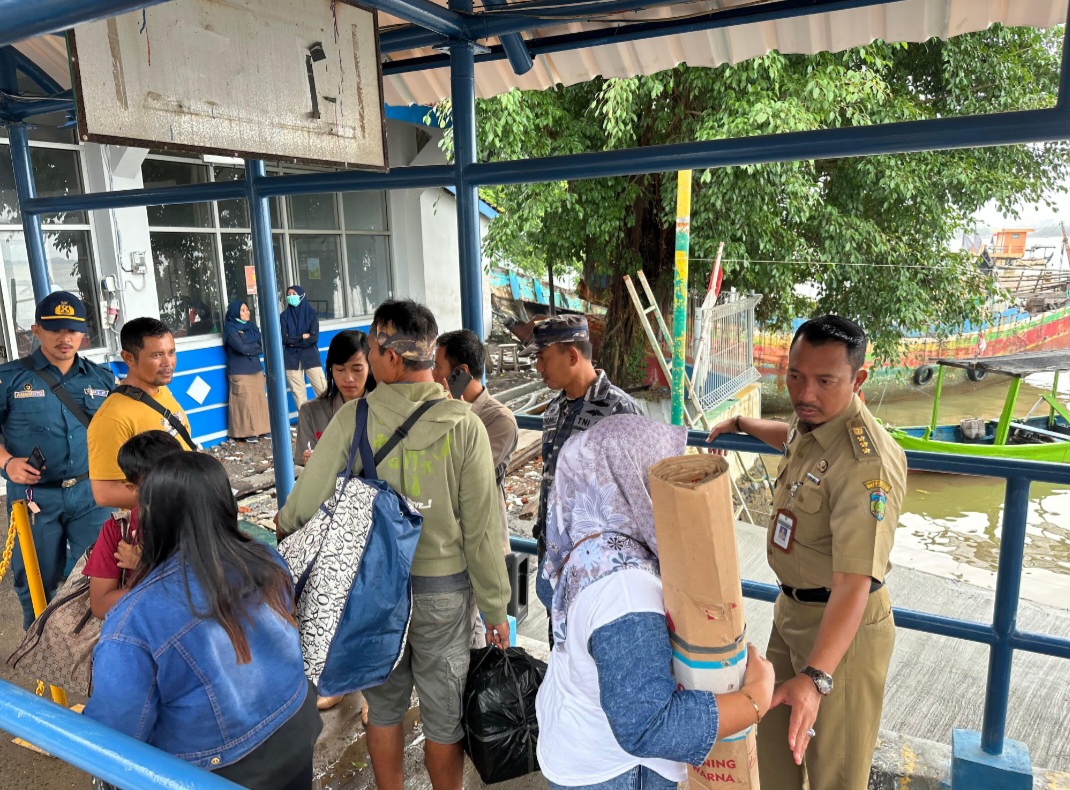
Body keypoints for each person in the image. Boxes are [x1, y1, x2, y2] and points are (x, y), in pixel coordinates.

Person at [277, 299, 510, 790]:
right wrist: (495, 608)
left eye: (371, 346)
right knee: (444, 717)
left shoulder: (354, 418)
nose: (368, 355)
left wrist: (284, 531)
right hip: (444, 595)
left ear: (390, 356)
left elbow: (302, 506)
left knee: (382, 711)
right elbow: (483, 531)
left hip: (374, 592)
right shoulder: (465, 424)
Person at [705, 315, 907, 790]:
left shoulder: (866, 465)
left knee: (834, 773)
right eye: (795, 376)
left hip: (842, 635)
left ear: (858, 379)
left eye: (824, 381)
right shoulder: (814, 425)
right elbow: (790, 437)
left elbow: (855, 583)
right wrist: (741, 424)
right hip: (791, 614)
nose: (805, 393)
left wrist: (817, 678)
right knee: (775, 758)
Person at [536, 415, 776, 789]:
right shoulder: (624, 587)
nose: (668, 497)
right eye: (658, 479)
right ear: (632, 484)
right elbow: (647, 725)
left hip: (575, 743)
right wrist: (754, 701)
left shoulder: (585, 542)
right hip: (613, 772)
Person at [85, 452, 321, 789]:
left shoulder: (135, 619)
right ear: (225, 505)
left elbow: (115, 734)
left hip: (222, 769)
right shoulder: (265, 557)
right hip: (296, 727)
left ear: (152, 519)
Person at [0, 291, 115, 628]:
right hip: (34, 498)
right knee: (37, 581)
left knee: (100, 575)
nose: (65, 338)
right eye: (55, 330)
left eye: (73, 330)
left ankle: (89, 645)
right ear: (36, 330)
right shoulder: (9, 378)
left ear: (83, 333)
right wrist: (7, 463)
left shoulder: (101, 378)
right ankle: (39, 643)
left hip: (91, 494)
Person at [528, 314, 639, 641]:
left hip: (598, 571)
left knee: (595, 656)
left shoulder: (619, 411)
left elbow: (638, 498)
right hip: (555, 563)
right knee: (560, 649)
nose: (538, 367)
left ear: (573, 356)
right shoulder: (554, 410)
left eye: (543, 358)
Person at [88, 318, 194, 511]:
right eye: (157, 355)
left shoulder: (161, 391)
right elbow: (104, 493)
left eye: (171, 352)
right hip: (158, 520)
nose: (168, 363)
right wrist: (177, 496)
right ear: (129, 358)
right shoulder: (112, 417)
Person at [433, 329, 518, 553]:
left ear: (460, 372)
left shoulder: (500, 420)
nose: (432, 375)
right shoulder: (436, 408)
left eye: (438, 367)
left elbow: (464, 475)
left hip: (482, 543)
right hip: (445, 542)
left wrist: (457, 416)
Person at [83, 430, 183, 619]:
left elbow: (212, 588)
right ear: (133, 488)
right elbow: (101, 606)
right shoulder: (118, 530)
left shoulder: (200, 518)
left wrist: (146, 567)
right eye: (156, 484)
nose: (169, 488)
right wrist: (156, 578)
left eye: (174, 477)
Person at [294, 329, 376, 467]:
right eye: (340, 369)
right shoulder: (310, 412)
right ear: (331, 369)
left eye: (357, 369)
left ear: (370, 369)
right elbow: (302, 467)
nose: (348, 378)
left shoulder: (383, 408)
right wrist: (309, 462)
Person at [223, 300, 270, 443]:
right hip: (240, 370)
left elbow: (261, 345)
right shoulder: (230, 328)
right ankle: (247, 433)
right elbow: (241, 348)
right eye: (243, 310)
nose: (247, 312)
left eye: (247, 309)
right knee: (244, 402)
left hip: (255, 368)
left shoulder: (252, 326)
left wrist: (250, 348)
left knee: (259, 400)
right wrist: (252, 348)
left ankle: (262, 429)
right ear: (235, 312)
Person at [281, 285, 327, 410]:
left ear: (301, 295)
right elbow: (285, 340)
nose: (291, 296)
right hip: (292, 359)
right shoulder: (284, 316)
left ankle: (330, 417)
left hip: (310, 357)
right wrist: (302, 337)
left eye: (294, 294)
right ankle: (305, 419)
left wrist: (293, 341)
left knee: (322, 390)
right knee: (298, 395)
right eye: (289, 294)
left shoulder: (311, 314)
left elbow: (314, 338)